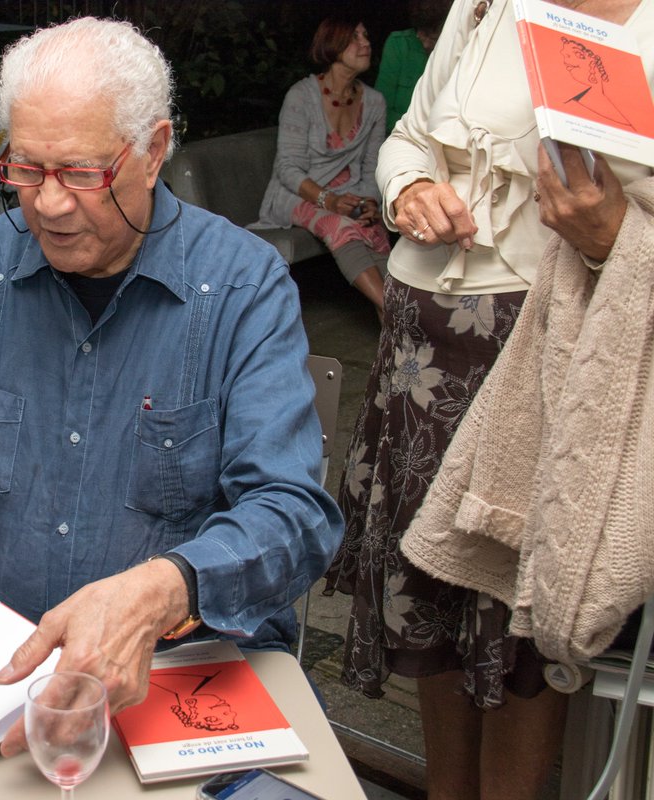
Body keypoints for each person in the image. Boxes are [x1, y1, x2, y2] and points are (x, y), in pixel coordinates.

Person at [0, 16, 343, 758]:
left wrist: (165, 589)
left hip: (176, 671)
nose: (50, 205)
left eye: (82, 174)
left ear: (154, 151)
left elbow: (293, 515)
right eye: (25, 170)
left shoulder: (243, 288)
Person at [323, 0, 653, 796]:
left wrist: (616, 239)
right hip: (420, 359)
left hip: (547, 362)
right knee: (435, 607)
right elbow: (406, 136)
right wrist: (409, 189)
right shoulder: (488, 4)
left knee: (516, 633)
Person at [255, 16, 391, 316]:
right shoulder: (301, 97)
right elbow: (288, 169)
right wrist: (329, 200)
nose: (366, 42)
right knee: (338, 224)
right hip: (295, 195)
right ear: (333, 45)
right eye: (355, 37)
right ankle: (394, 312)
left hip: (348, 191)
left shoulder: (375, 103)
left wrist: (370, 201)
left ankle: (394, 329)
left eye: (365, 35)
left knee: (373, 225)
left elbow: (372, 166)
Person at [375, 0, 453, 132]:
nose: (425, 43)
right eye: (420, 32)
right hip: (401, 139)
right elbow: (381, 112)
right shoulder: (398, 44)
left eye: (433, 38)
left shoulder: (457, 51)